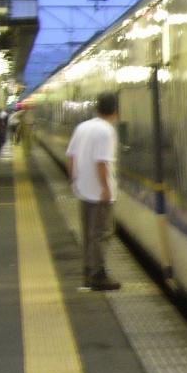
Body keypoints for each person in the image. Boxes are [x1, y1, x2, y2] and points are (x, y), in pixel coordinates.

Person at [66, 92, 121, 291]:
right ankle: (98, 275)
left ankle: (88, 272)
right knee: (101, 233)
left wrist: (74, 180)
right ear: (115, 111)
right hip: (99, 193)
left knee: (89, 234)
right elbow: (101, 162)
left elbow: (70, 156)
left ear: (97, 109)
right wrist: (105, 189)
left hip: (84, 190)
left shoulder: (82, 127)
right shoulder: (106, 131)